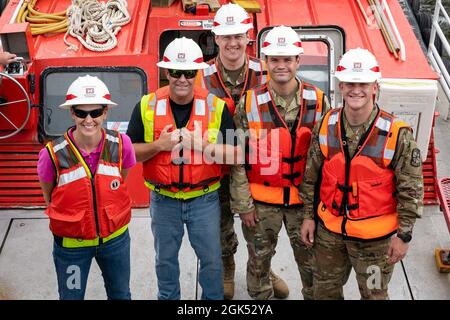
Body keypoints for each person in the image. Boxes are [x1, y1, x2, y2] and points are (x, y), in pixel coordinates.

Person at [300, 48, 424, 299]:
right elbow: (311, 177)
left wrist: (404, 236)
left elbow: (411, 191)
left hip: (376, 243)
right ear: (341, 87)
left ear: (375, 87)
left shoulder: (397, 135)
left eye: (363, 83)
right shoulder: (326, 125)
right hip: (330, 236)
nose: (356, 90)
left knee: (375, 294)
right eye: (350, 83)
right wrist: (308, 217)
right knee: (324, 292)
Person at [126, 37, 238, 300]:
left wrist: (201, 145)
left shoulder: (216, 107)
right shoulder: (146, 105)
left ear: (197, 72)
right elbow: (128, 152)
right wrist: (158, 145)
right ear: (167, 72)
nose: (182, 79)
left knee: (212, 262)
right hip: (163, 200)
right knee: (165, 261)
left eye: (189, 72)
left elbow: (236, 153)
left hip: (204, 199)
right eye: (176, 72)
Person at [230, 25, 329, 300]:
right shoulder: (248, 103)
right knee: (258, 266)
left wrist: (314, 211)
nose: (281, 65)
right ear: (265, 61)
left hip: (303, 205)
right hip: (260, 206)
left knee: (312, 269)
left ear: (298, 60)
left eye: (287, 59)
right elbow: (238, 159)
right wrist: (244, 205)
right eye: (275, 59)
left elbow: (325, 161)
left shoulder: (319, 101)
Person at [194, 3, 280, 300]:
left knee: (262, 228)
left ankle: (263, 269)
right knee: (220, 228)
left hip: (258, 166)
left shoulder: (266, 71)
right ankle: (227, 267)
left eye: (238, 36)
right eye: (225, 36)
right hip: (216, 164)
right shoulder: (199, 76)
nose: (232, 43)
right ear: (215, 38)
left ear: (248, 36)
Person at [38, 75, 136, 300]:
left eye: (96, 112)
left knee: (121, 295)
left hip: (115, 242)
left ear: (105, 112)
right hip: (72, 248)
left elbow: (122, 178)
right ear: (72, 112)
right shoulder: (51, 155)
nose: (89, 119)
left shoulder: (123, 146)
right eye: (81, 112)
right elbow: (49, 195)